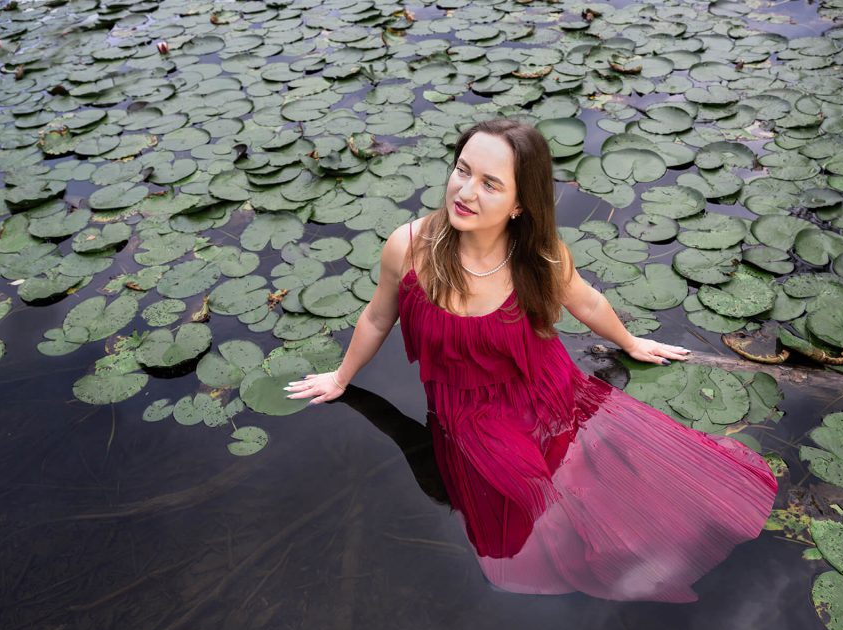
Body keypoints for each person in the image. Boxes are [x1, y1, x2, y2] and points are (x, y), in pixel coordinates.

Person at [284, 118, 778, 602]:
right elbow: (376, 318)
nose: (465, 191)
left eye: (490, 184)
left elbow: (586, 302)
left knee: (610, 482)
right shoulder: (409, 247)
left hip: (549, 391)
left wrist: (630, 342)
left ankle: (653, 555)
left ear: (520, 203)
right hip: (470, 414)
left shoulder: (539, 258)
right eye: (462, 170)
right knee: (533, 507)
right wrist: (341, 376)